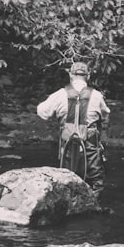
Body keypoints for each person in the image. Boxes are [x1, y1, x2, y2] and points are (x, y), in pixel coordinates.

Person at [36, 62, 110, 190]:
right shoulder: (97, 96)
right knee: (95, 183)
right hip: (91, 145)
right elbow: (105, 116)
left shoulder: (59, 94)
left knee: (67, 182)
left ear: (70, 75)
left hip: (68, 146)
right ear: (88, 76)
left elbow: (42, 112)